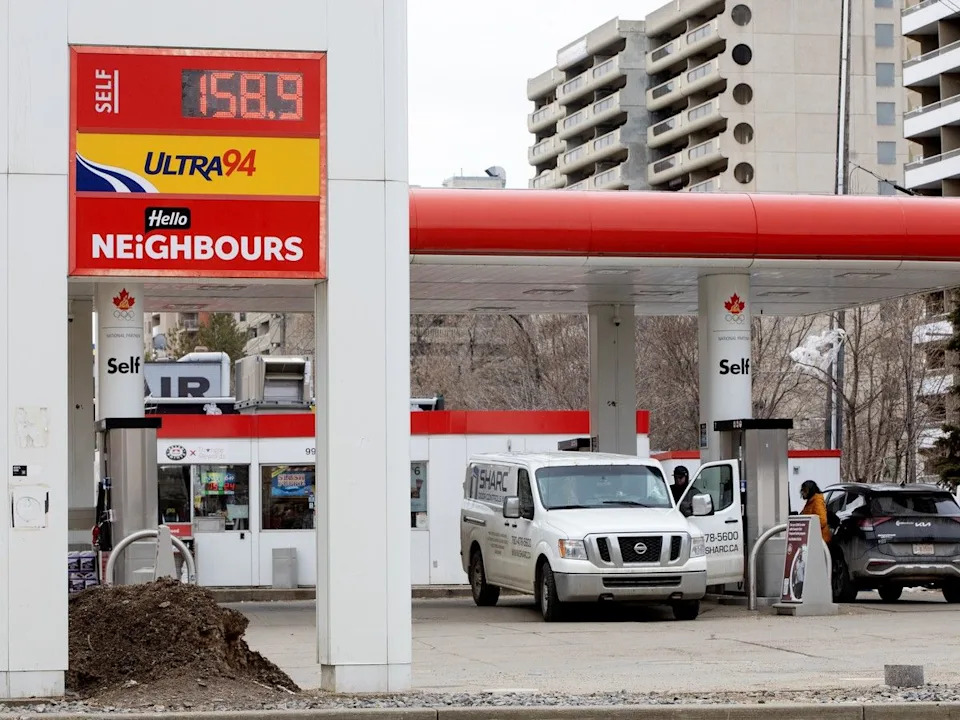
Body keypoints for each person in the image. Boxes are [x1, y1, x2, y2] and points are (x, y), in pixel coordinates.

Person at [800, 480, 831, 545]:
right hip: (815, 538)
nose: (802, 493)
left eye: (805, 490)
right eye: (802, 490)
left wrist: (809, 527)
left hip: (820, 540)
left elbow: (822, 521)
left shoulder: (817, 501)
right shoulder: (810, 502)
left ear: (810, 490)